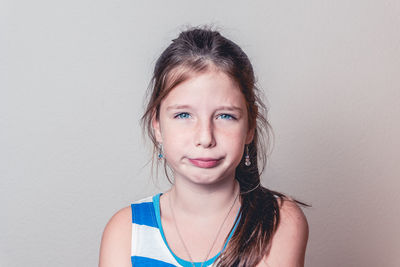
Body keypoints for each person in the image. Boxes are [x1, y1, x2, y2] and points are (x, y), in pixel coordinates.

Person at [99, 26, 308, 267]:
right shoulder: (126, 232)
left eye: (225, 116)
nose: (205, 137)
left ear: (250, 126)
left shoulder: (277, 220)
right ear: (157, 126)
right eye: (183, 115)